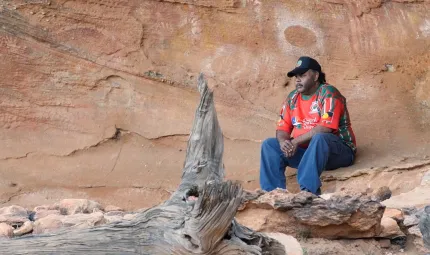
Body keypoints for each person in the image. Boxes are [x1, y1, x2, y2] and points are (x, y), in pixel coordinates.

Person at [259, 56, 356, 195]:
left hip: (338, 153)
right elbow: (282, 129)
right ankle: (273, 195)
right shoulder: (292, 98)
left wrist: (295, 141)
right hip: (308, 154)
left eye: (303, 75)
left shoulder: (328, 93)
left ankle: (308, 193)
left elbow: (325, 128)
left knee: (320, 138)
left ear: (316, 76)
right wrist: (283, 142)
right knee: (270, 145)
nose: (298, 80)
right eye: (296, 77)